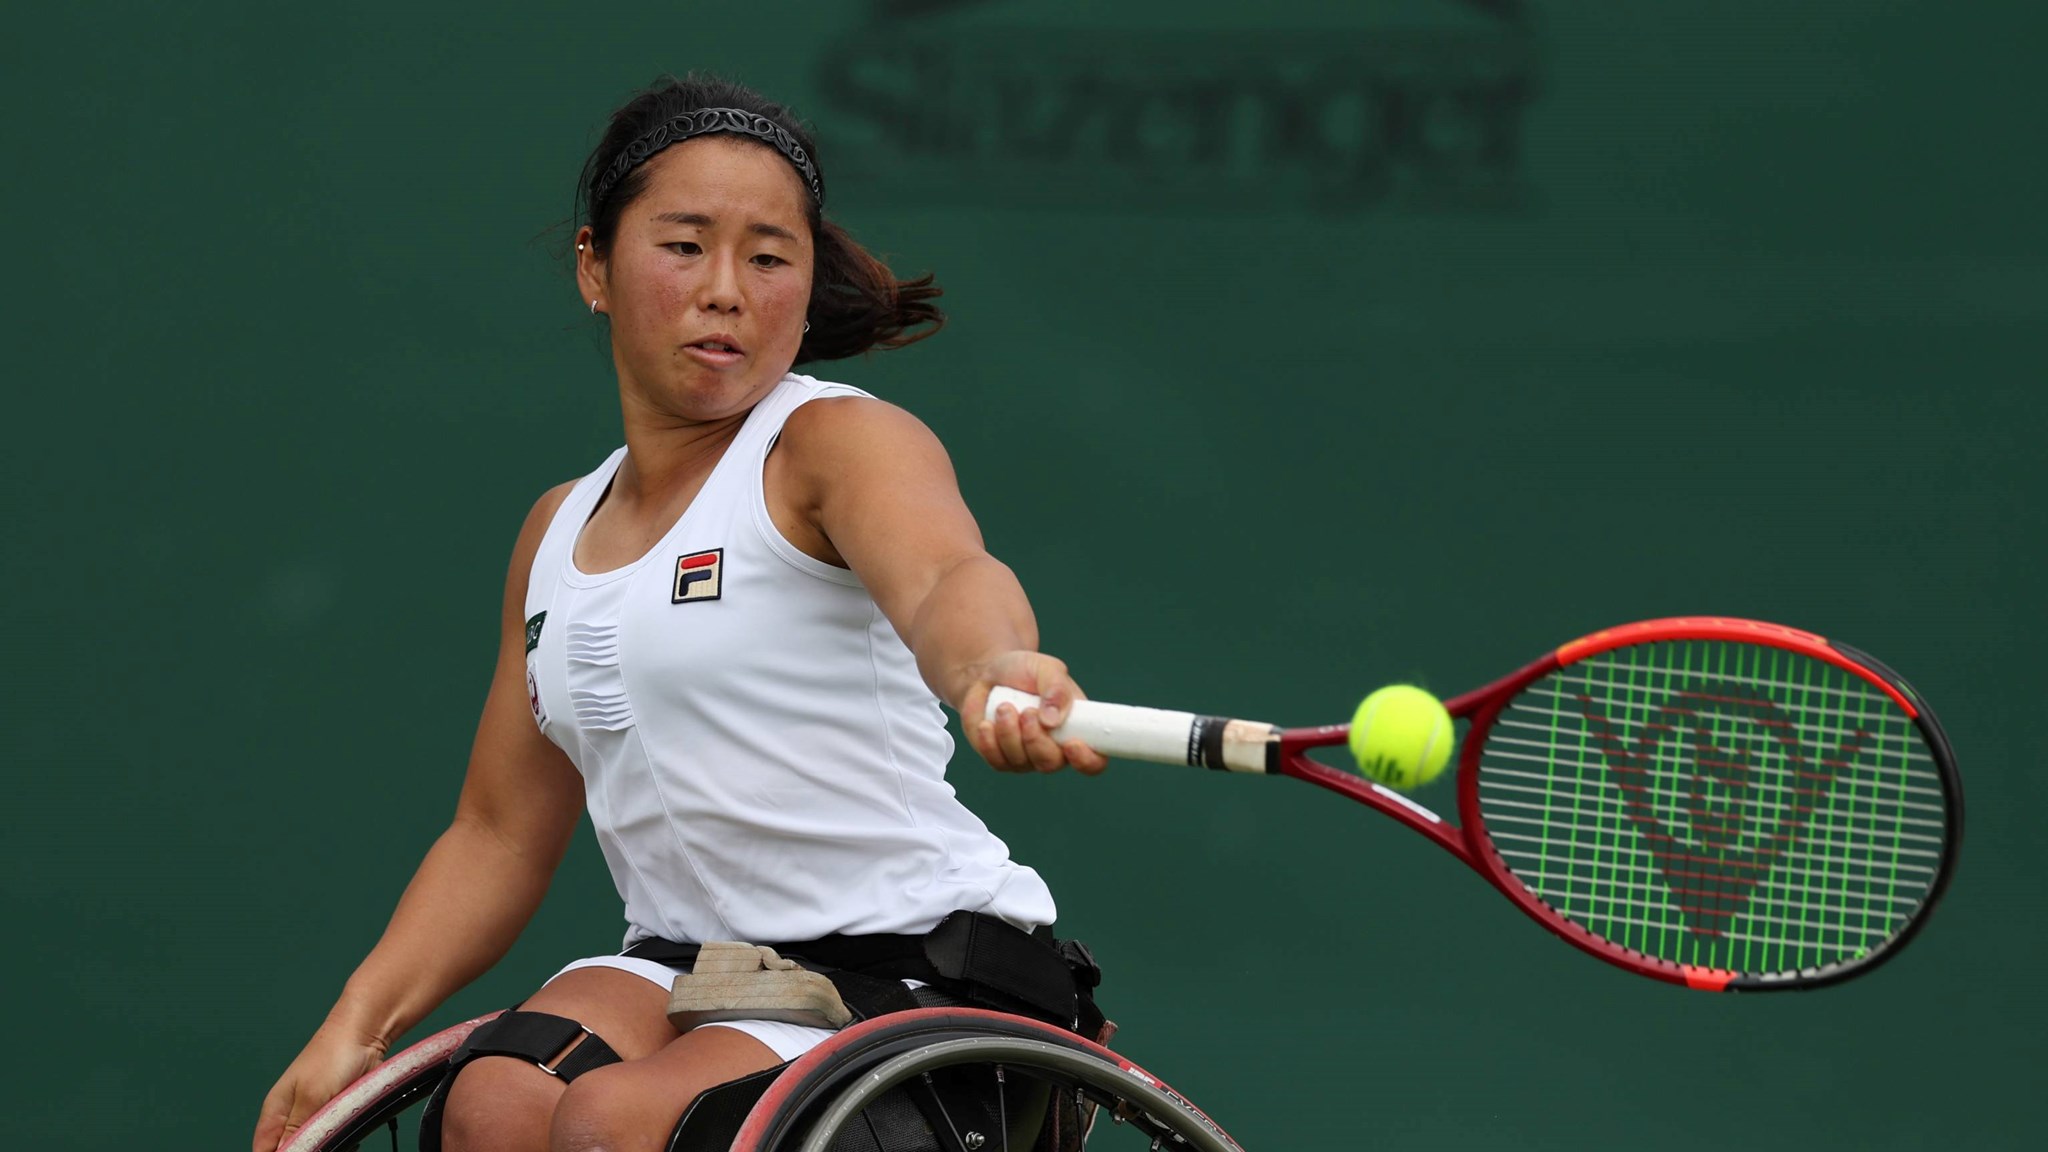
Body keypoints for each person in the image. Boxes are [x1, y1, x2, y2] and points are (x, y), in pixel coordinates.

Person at [251, 73, 1107, 1152]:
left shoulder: (834, 441)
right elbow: (500, 833)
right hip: (699, 968)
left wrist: (992, 663)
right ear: (592, 268)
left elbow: (946, 578)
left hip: (917, 970)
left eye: (767, 256)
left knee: (616, 1120)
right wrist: (353, 1028)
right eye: (683, 244)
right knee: (496, 1103)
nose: (725, 290)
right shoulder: (554, 531)